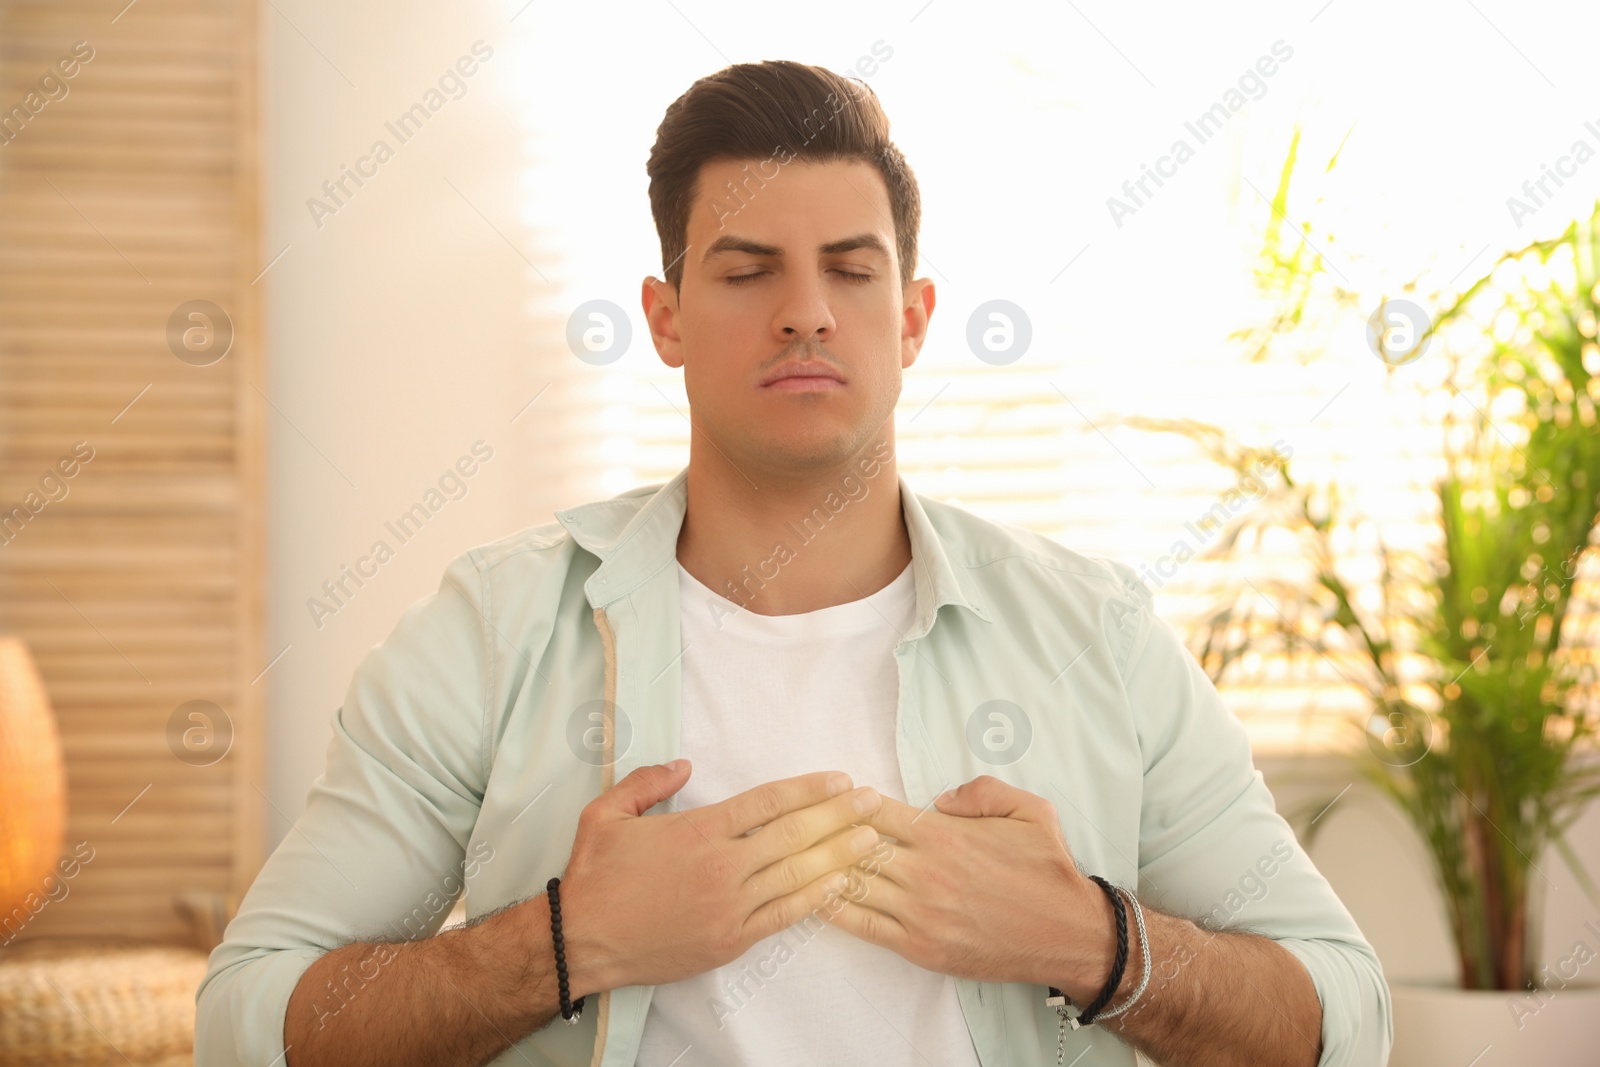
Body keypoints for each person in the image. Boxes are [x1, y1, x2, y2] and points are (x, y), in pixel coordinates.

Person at [195, 59, 1392, 1067]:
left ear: (913, 317)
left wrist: (1093, 940)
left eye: (851, 271)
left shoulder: (1097, 632)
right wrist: (566, 942)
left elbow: (1344, 1012)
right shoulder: (494, 627)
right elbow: (247, 1016)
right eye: (748, 268)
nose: (806, 311)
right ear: (664, 316)